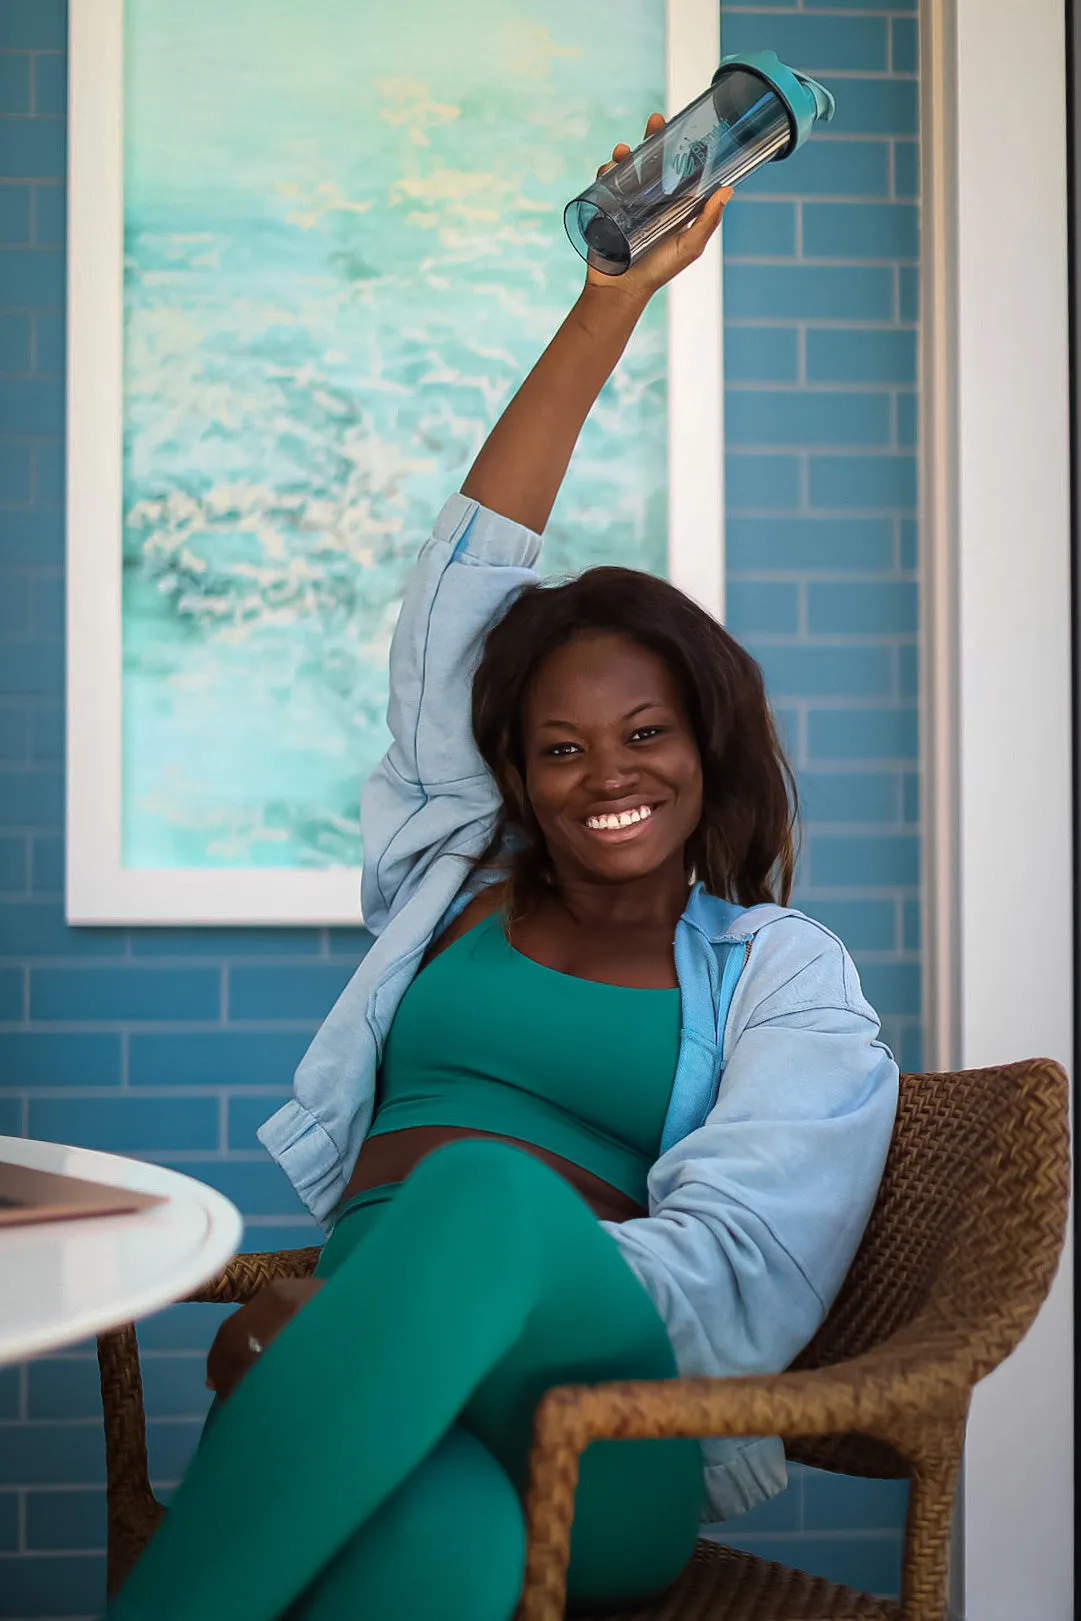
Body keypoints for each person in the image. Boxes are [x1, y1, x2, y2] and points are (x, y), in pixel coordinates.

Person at [107, 117, 899, 1621]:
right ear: (514, 778)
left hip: (602, 1437)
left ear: (709, 749)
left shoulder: (781, 978)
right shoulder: (450, 877)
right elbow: (461, 590)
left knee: (480, 1195)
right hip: (360, 1380)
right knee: (442, 1565)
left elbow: (741, 1270)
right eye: (560, 749)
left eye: (647, 733)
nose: (608, 775)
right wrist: (608, 297)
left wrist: (421, 1303)